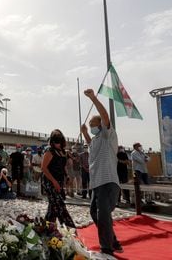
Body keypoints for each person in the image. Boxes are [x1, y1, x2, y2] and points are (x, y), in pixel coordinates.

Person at [80, 89, 123, 256]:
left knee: (103, 215)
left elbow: (105, 116)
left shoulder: (108, 135)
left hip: (108, 181)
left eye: (93, 126)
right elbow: (91, 144)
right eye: (90, 127)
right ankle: (112, 241)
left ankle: (107, 248)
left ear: (101, 126)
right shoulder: (96, 140)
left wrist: (93, 98)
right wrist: (84, 133)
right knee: (94, 212)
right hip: (96, 184)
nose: (92, 129)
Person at [41, 129, 75, 228]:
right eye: (55, 142)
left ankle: (47, 227)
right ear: (52, 141)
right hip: (49, 180)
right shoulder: (49, 151)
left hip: (59, 180)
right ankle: (70, 228)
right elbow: (43, 168)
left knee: (53, 206)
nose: (57, 144)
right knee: (59, 204)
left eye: (59, 141)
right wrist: (54, 181)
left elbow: (63, 166)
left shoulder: (63, 152)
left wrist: (67, 176)